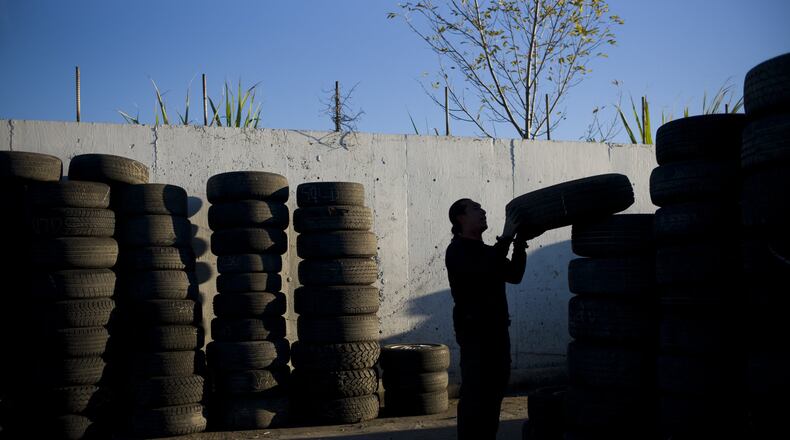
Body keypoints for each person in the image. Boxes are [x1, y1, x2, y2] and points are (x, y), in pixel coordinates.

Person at [445, 198, 538, 439]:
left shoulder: (488, 252)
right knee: (475, 398)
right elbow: (482, 269)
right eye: (475, 208)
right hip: (475, 335)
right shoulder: (456, 251)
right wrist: (506, 238)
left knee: (493, 397)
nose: (483, 210)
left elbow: (514, 274)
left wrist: (519, 244)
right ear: (460, 218)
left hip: (498, 333)